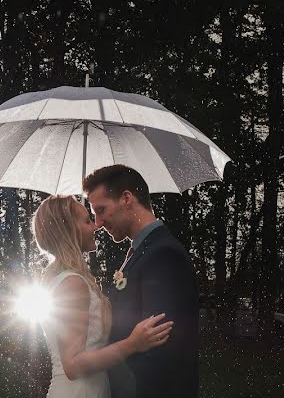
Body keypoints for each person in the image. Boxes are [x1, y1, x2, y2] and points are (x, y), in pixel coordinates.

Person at [32, 195, 173, 398]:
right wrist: (132, 344)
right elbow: (72, 365)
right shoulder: (72, 283)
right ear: (70, 230)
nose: (96, 226)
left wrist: (127, 268)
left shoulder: (68, 278)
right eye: (87, 221)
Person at [84, 165, 199, 398]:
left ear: (126, 199)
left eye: (101, 209)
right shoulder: (140, 252)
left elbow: (160, 352)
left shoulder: (164, 255)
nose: (97, 222)